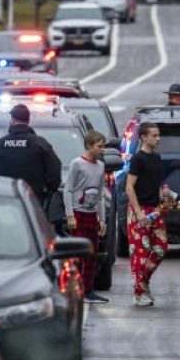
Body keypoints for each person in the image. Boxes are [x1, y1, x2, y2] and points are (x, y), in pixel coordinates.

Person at [0, 103, 62, 207]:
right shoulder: (40, 144)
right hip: (35, 202)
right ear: (28, 121)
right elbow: (55, 171)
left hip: (6, 202)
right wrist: (47, 191)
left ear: (12, 120)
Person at [64, 129, 109, 304]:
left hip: (91, 215)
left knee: (92, 253)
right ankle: (73, 289)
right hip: (78, 213)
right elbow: (68, 189)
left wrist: (102, 219)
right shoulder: (77, 164)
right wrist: (70, 215)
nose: (102, 150)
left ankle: (88, 290)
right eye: (99, 146)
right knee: (78, 254)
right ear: (89, 146)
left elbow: (99, 194)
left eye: (103, 146)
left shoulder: (100, 166)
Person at [125, 122, 168, 306]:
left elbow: (156, 182)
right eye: (154, 136)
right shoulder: (138, 159)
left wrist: (163, 197)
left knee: (161, 248)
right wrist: (138, 212)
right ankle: (138, 292)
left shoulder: (157, 158)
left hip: (155, 211)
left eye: (158, 135)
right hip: (139, 211)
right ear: (143, 137)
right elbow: (129, 187)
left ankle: (143, 282)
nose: (157, 139)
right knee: (140, 253)